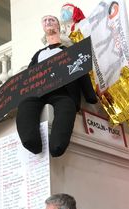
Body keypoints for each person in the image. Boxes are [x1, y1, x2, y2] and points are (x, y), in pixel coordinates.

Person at [15, 15, 97, 157]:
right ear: (43, 28)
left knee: (66, 108)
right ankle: (31, 142)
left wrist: (90, 96)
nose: (48, 22)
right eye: (45, 20)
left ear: (58, 27)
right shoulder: (38, 55)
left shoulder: (70, 50)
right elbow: (28, 76)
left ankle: (57, 145)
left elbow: (81, 71)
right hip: (38, 91)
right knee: (25, 105)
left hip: (63, 92)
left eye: (51, 20)